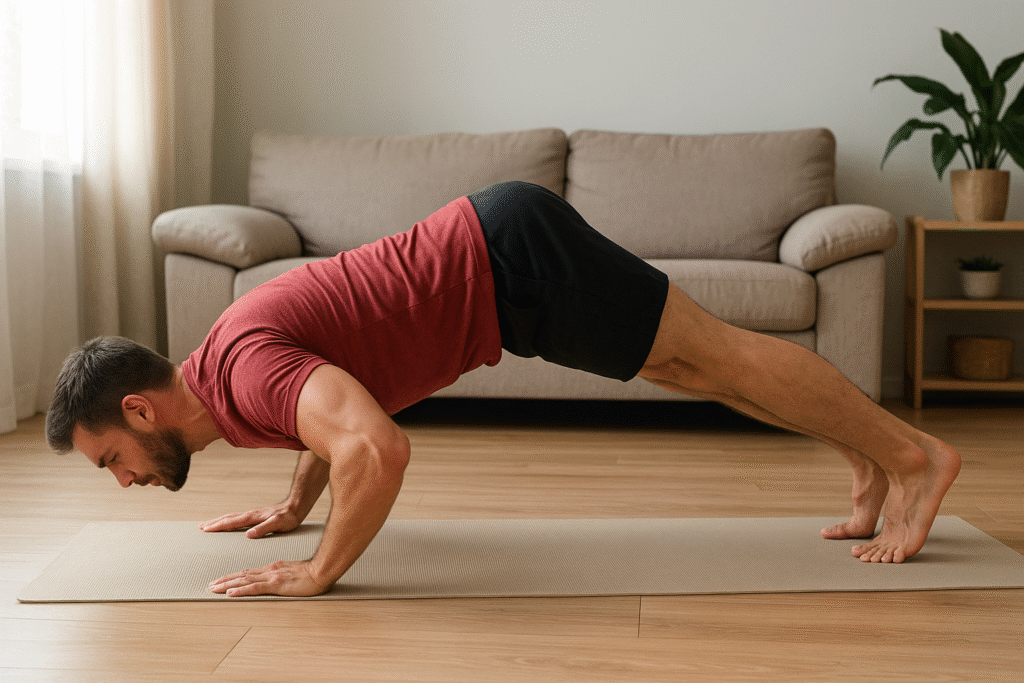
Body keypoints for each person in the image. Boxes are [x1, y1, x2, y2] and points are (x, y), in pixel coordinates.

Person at [45, 181, 961, 598]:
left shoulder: (239, 369)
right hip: (504, 275)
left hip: (513, 262)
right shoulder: (222, 383)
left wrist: (319, 572)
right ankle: (868, 455)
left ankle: (915, 457)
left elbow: (375, 446)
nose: (122, 479)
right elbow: (324, 423)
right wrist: (294, 503)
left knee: (712, 355)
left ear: (138, 410)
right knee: (692, 368)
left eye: (111, 460)